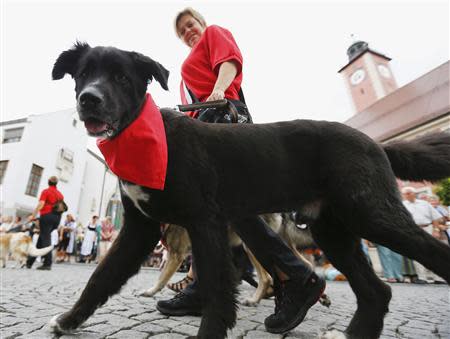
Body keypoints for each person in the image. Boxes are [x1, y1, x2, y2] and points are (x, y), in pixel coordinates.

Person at [156, 8, 325, 334]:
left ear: (201, 22)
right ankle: (205, 287)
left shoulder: (214, 32)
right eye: (182, 31)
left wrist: (219, 90)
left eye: (191, 24)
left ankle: (296, 276)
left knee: (227, 208)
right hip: (206, 126)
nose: (189, 31)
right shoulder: (190, 63)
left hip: (221, 120)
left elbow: (229, 61)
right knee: (216, 212)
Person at [402, 187, 447, 283]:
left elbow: (435, 217)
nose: (406, 195)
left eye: (408, 193)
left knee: (433, 253)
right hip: (413, 230)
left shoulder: (425, 204)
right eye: (405, 194)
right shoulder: (403, 205)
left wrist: (436, 230)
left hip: (428, 228)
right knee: (418, 253)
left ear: (414, 193)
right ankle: (422, 277)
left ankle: (438, 278)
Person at [26, 176, 64, 270]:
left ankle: (47, 263)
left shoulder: (46, 191)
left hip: (47, 216)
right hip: (57, 218)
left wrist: (33, 216)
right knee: (42, 238)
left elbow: (41, 204)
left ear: (48, 182)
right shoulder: (60, 194)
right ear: (56, 184)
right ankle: (29, 262)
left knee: (46, 239)